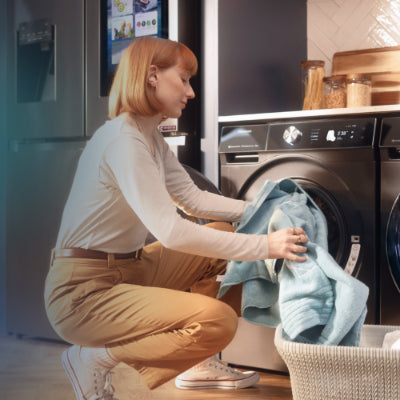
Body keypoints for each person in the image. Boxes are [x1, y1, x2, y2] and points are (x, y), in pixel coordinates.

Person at [44, 36, 308, 400]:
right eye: (183, 79)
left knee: (219, 236)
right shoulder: (123, 140)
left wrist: (265, 209)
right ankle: (94, 358)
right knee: (217, 321)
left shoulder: (149, 137)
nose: (191, 92)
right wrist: (265, 245)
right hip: (84, 292)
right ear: (152, 76)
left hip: (130, 270)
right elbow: (170, 231)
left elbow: (192, 200)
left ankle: (196, 365)